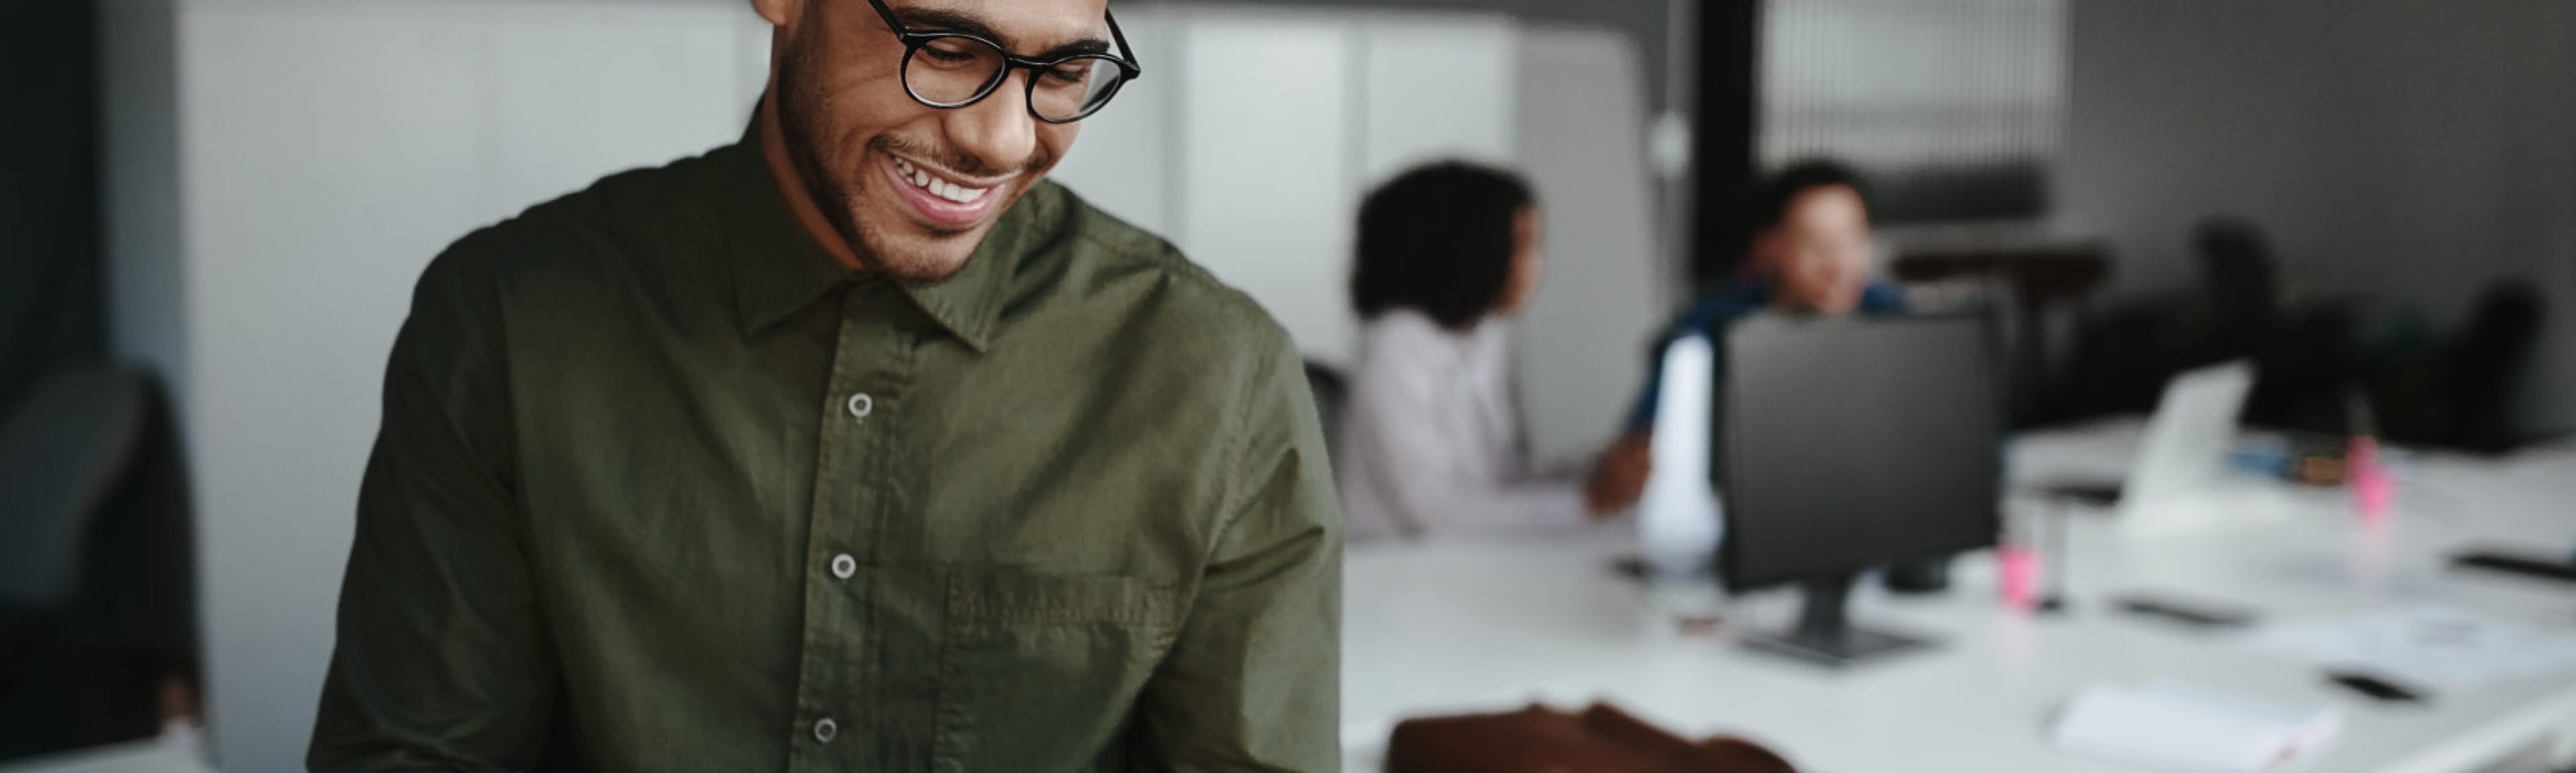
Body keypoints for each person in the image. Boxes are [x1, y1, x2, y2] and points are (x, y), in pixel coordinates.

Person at [309, 1, 1342, 770]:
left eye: (1065, 70)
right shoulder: (510, 320)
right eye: (943, 46)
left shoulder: (1218, 377)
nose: (1004, 140)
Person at [1336, 162, 1639, 539]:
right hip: (1399, 575)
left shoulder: (1479, 339)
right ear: (1468, 249)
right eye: (1522, 247)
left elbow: (1498, 485)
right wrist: (1588, 502)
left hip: (1464, 567)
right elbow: (1434, 514)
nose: (1534, 267)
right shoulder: (1396, 347)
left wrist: (1592, 472)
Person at [1588, 160, 1907, 513]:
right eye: (1815, 243)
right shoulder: (1709, 331)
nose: (1838, 264)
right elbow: (1639, 452)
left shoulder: (1894, 319)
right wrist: (1625, 470)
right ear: (1767, 248)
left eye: (1852, 240)